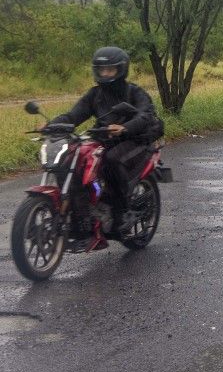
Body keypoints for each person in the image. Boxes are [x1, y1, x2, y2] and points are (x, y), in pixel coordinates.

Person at [52, 47, 162, 238]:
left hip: (134, 139)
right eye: (102, 69)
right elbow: (73, 116)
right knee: (71, 158)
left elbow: (145, 115)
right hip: (104, 138)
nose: (105, 73)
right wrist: (52, 124)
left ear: (121, 69)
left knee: (111, 160)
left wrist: (125, 127)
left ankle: (121, 212)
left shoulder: (134, 92)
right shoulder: (95, 95)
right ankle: (82, 216)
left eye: (110, 69)